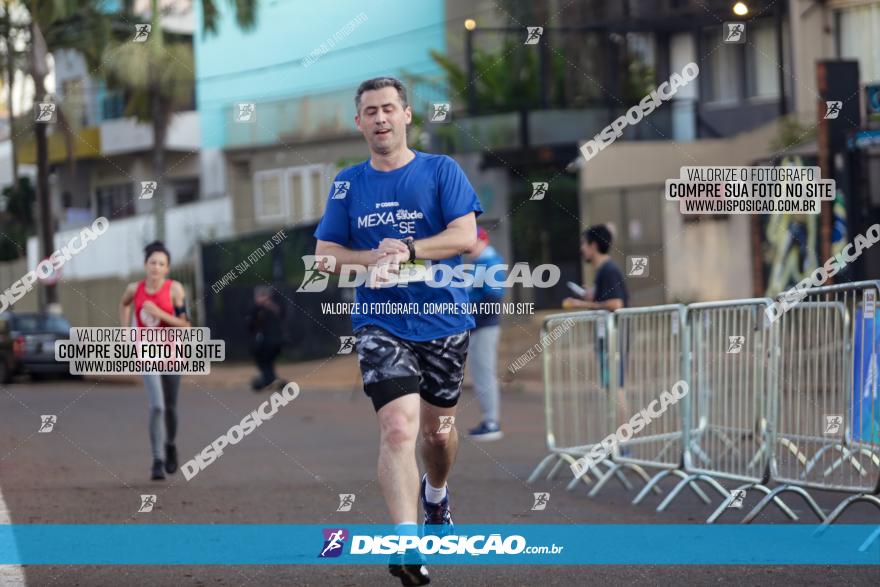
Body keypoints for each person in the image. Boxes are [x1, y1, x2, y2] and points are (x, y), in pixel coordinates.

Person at [314, 76, 481, 586]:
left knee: (437, 433)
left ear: (407, 115)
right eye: (370, 111)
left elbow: (465, 236)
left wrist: (407, 250)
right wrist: (373, 258)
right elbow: (325, 259)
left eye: (389, 108)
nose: (381, 118)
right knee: (398, 427)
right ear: (358, 122)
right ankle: (406, 543)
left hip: (443, 320)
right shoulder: (347, 183)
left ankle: (436, 495)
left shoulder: (440, 170)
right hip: (379, 322)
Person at [119, 241, 191, 481]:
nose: (156, 267)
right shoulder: (134, 289)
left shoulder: (175, 290)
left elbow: (185, 324)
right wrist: (126, 331)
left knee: (170, 406)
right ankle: (157, 459)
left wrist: (160, 314)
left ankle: (170, 444)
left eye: (161, 264)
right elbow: (124, 304)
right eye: (152, 262)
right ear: (145, 265)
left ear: (167, 268)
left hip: (171, 352)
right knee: (157, 405)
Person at [463, 227, 505, 441]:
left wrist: (470, 315)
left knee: (485, 373)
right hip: (478, 326)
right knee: (480, 373)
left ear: (482, 241)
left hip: (484, 326)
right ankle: (488, 419)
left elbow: (494, 297)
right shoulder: (479, 263)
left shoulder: (490, 261)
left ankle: (491, 421)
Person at [562, 225, 629, 311]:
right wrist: (592, 296)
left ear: (593, 246)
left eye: (584, 243)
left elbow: (615, 303)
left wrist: (581, 304)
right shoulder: (603, 269)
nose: (581, 248)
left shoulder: (609, 270)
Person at [246, 286, 285, 391]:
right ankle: (270, 380)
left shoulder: (270, 308)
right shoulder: (259, 309)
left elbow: (282, 317)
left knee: (265, 361)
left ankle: (269, 380)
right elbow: (250, 325)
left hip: (269, 342)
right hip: (267, 342)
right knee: (265, 363)